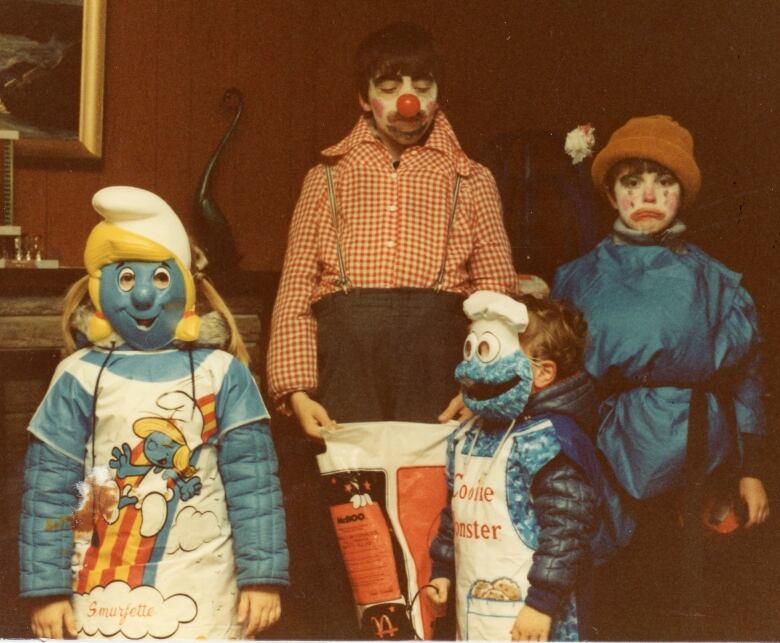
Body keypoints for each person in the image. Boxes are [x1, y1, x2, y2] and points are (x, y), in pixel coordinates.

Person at [266, 21, 515, 639]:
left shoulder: (471, 180)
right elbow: (297, 287)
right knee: (353, 506)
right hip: (345, 359)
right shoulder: (326, 176)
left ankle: (432, 629)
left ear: (438, 93)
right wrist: (297, 389)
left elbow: (498, 295)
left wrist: (482, 383)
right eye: (390, 84)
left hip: (436, 361)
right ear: (364, 97)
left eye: (422, 84)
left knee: (429, 503)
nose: (409, 100)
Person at [19, 186, 288, 640]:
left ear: (185, 287)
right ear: (99, 290)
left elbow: (254, 483)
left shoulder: (224, 375)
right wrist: (47, 590)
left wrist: (261, 578)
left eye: (160, 278)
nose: (143, 295)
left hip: (208, 592)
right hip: (105, 592)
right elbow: (50, 488)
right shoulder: (78, 376)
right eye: (126, 279)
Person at [552, 115, 770, 637]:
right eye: (632, 181)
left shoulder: (717, 282)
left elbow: (745, 383)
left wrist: (750, 469)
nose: (647, 194)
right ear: (611, 194)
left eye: (663, 181)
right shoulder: (576, 278)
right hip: (598, 459)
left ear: (682, 194)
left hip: (695, 466)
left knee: (685, 603)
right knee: (608, 598)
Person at [426, 292, 632, 641]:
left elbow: (567, 528)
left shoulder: (548, 441)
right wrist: (443, 569)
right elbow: (455, 512)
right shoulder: (468, 436)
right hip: (473, 602)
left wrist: (542, 603)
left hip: (534, 613)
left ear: (543, 372)